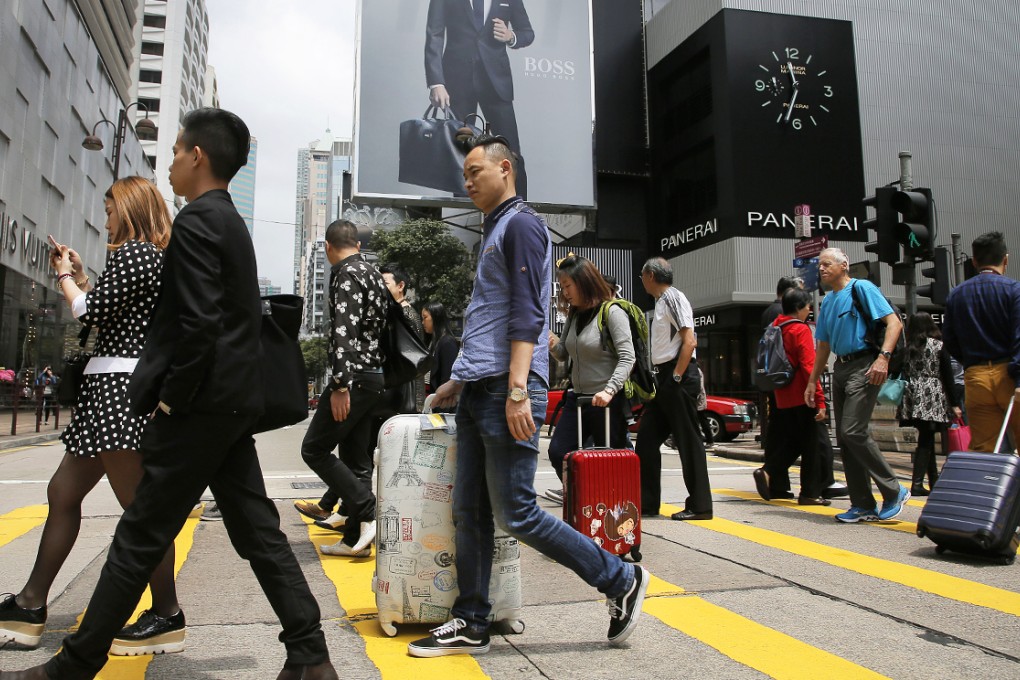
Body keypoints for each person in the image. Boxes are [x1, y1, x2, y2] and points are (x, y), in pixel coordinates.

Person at [0, 108, 339, 680]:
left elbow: (199, 324)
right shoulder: (227, 220)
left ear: (197, 156)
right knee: (257, 532)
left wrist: (171, 401)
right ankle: (310, 655)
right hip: (228, 404)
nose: (173, 163)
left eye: (177, 151)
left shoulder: (199, 221)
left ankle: (74, 666)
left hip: (201, 406)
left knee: (139, 536)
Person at [408, 133, 649, 658]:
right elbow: (491, 315)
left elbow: (526, 313)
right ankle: (471, 620)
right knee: (469, 510)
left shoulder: (520, 224)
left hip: (507, 390)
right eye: (465, 174)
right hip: (483, 386)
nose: (467, 180)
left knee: (516, 510)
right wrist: (460, 379)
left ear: (505, 170)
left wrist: (518, 388)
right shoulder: (497, 227)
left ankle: (620, 578)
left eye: (476, 171)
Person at [0, 177, 182, 656]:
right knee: (62, 492)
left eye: (109, 210)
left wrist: (63, 275)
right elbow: (107, 311)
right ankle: (30, 604)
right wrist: (81, 278)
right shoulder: (148, 259)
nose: (105, 220)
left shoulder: (137, 255)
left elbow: (88, 313)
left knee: (142, 514)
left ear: (129, 209)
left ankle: (166, 614)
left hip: (117, 394)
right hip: (112, 392)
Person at [298, 219, 389, 558]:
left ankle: (366, 509)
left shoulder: (346, 274)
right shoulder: (373, 274)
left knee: (314, 449)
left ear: (327, 247)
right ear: (358, 244)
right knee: (355, 460)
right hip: (373, 376)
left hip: (355, 378)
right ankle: (355, 540)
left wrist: (339, 385)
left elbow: (343, 332)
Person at [805, 247, 909, 524]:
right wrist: (813, 381)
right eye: (820, 266)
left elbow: (894, 324)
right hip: (840, 368)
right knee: (846, 438)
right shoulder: (827, 302)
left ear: (844, 265)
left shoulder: (861, 288)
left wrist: (883, 359)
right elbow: (824, 346)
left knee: (853, 430)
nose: (822, 269)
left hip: (865, 364)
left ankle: (894, 489)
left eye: (827, 264)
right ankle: (862, 504)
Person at [545, 254, 635, 502]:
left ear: (583, 282)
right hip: (578, 400)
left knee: (611, 462)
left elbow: (628, 357)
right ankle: (584, 499)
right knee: (558, 452)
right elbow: (563, 354)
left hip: (607, 402)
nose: (564, 293)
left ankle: (613, 510)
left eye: (567, 286)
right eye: (562, 287)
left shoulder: (612, 312)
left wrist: (609, 390)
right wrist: (549, 340)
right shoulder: (574, 314)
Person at [425, 0, 534, 197]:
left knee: (511, 152)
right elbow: (434, 33)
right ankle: (463, 210)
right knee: (461, 153)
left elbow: (527, 32)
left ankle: (520, 211)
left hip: (496, 82)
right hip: (457, 82)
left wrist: (511, 36)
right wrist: (436, 82)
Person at [635, 257, 713, 521]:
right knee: (645, 441)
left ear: (650, 276)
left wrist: (677, 378)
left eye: (642, 275)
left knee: (688, 441)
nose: (641, 280)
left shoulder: (672, 298)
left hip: (677, 376)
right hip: (665, 379)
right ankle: (646, 503)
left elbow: (689, 341)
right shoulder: (661, 302)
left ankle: (701, 506)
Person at [942, 231, 1020, 452]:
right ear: (1005, 259)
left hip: (976, 379)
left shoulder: (956, 295)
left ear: (974, 261)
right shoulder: (1014, 290)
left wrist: (970, 362)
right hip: (1011, 376)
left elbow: (949, 339)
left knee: (987, 449)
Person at [752, 288, 830, 505]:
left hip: (781, 394)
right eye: (807, 307)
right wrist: (820, 399)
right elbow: (809, 366)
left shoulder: (775, 326)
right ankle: (810, 493)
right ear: (798, 307)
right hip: (804, 394)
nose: (809, 310)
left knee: (795, 441)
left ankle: (769, 472)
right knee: (811, 444)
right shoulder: (799, 329)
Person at [896, 313, 961, 496]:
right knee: (926, 438)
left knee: (927, 436)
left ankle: (933, 481)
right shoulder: (938, 346)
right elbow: (948, 377)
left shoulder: (908, 348)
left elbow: (896, 367)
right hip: (932, 393)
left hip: (912, 394)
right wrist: (954, 403)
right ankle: (917, 483)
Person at [422, 300, 459, 396]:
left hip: (441, 401)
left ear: (435, 317)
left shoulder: (447, 342)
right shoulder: (432, 342)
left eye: (425, 317)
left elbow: (447, 378)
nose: (422, 322)